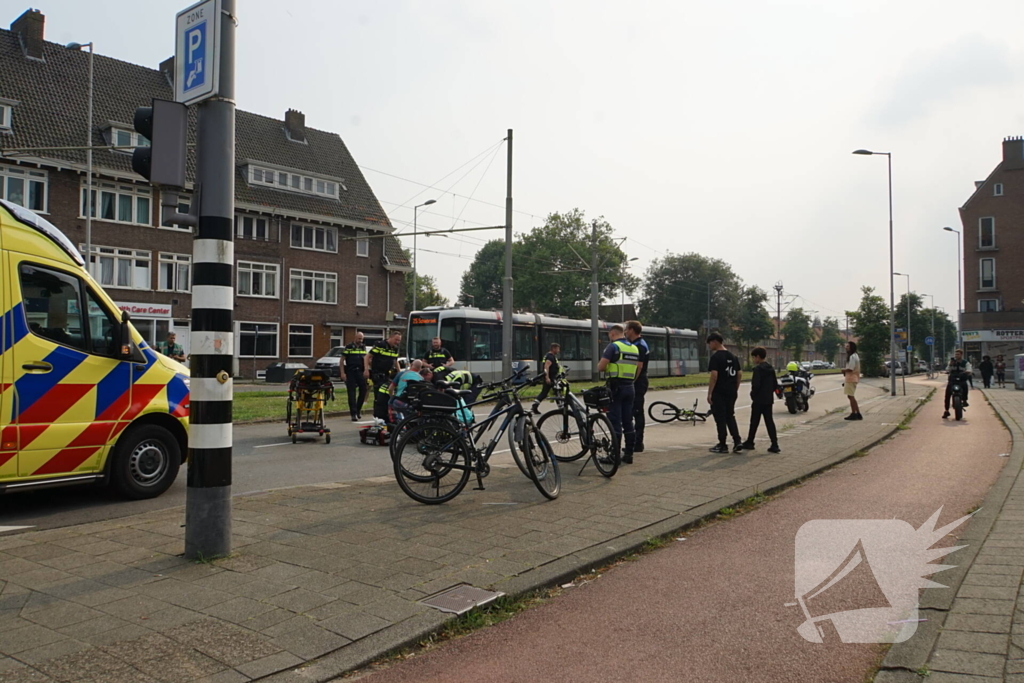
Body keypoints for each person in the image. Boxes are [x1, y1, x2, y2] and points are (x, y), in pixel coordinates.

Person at [597, 325, 639, 463]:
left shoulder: (613, 347)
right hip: (630, 387)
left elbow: (601, 367)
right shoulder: (634, 348)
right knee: (628, 421)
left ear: (612, 334)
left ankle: (614, 455)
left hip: (616, 388)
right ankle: (628, 454)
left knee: (615, 421)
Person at [706, 332, 743, 453]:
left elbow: (714, 375)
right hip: (731, 391)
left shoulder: (716, 357)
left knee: (720, 418)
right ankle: (737, 441)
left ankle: (722, 444)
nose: (709, 346)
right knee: (730, 416)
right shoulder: (733, 356)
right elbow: (739, 374)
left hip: (719, 391)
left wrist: (710, 393)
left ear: (715, 342)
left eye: (710, 343)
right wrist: (735, 388)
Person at [741, 347, 780, 453]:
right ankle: (774, 444)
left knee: (754, 421)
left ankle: (750, 441)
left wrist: (753, 395)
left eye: (754, 357)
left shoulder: (758, 370)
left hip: (758, 400)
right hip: (768, 399)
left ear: (758, 357)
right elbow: (775, 384)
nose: (753, 360)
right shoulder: (771, 368)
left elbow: (756, 385)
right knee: (769, 421)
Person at [624, 321, 650, 453]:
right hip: (638, 381)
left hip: (638, 381)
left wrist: (631, 381)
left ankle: (638, 443)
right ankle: (635, 441)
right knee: (634, 411)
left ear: (632, 330)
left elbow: (639, 366)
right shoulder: (637, 344)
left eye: (626, 329)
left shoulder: (639, 345)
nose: (625, 332)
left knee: (637, 411)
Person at [366, 330, 402, 422]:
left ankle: (385, 415)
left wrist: (400, 373)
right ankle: (377, 416)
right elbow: (367, 357)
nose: (397, 342)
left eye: (399, 341)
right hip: (377, 374)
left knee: (386, 395)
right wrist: (366, 370)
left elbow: (395, 361)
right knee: (379, 396)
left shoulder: (395, 348)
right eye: (396, 340)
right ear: (390, 337)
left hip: (387, 374)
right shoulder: (380, 345)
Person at [339, 332, 368, 421]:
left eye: (362, 339)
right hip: (351, 372)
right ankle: (353, 413)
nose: (360, 341)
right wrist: (342, 373)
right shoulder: (349, 347)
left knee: (363, 390)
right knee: (351, 393)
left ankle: (358, 410)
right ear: (355, 337)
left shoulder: (363, 347)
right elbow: (342, 360)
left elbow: (365, 359)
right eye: (359, 338)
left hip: (360, 371)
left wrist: (366, 370)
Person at [531, 343, 562, 415]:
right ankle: (561, 408)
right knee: (553, 392)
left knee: (552, 392)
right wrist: (547, 377)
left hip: (552, 378)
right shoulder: (550, 357)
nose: (559, 350)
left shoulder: (549, 356)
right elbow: (546, 367)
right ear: (553, 349)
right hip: (550, 378)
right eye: (558, 349)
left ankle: (535, 406)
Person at [943, 349, 971, 419]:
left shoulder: (965, 362)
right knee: (947, 394)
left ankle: (965, 400)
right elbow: (947, 369)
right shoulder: (952, 362)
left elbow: (969, 369)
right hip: (952, 380)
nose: (956, 356)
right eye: (955, 354)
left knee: (965, 386)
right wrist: (950, 365)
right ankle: (946, 411)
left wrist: (967, 372)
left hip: (961, 380)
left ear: (961, 355)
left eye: (958, 354)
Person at [842, 341, 862, 421]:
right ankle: (858, 413)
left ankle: (854, 413)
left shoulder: (852, 357)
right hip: (853, 378)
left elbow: (850, 369)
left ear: (851, 348)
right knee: (851, 396)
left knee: (851, 396)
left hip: (851, 378)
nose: (846, 348)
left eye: (847, 347)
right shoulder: (855, 355)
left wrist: (843, 370)